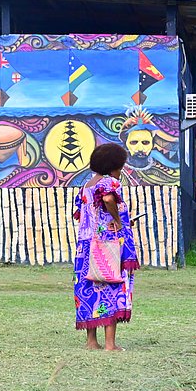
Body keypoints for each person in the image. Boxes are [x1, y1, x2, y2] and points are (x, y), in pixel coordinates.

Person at [72, 143, 139, 351]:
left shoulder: (87, 185)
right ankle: (110, 344)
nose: (121, 171)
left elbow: (83, 213)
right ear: (112, 166)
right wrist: (118, 220)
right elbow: (109, 199)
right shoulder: (110, 182)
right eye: (120, 167)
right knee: (112, 286)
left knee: (89, 289)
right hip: (107, 243)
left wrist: (123, 219)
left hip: (85, 246)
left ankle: (91, 341)